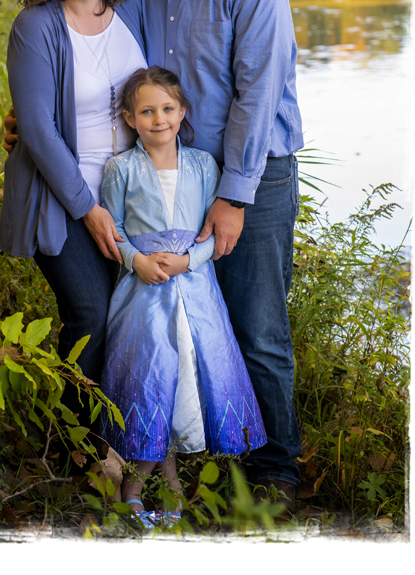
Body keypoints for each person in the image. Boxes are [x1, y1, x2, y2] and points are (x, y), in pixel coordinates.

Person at [4, 0, 304, 512]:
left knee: (253, 328)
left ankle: (274, 469)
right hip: (159, 179)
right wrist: (29, 113)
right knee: (172, 322)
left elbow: (258, 95)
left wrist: (232, 197)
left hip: (247, 174)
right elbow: (94, 62)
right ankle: (155, 454)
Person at [0, 0, 148, 419]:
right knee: (91, 312)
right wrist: (88, 207)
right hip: (62, 198)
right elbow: (35, 127)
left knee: (133, 315)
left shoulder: (132, 13)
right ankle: (81, 447)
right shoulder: (36, 27)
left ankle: (129, 436)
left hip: (130, 196)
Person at [99, 66, 266, 530]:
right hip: (144, 297)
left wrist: (189, 261)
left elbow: (215, 237)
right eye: (147, 111)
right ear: (130, 118)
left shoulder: (201, 165)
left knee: (187, 384)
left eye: (168, 109)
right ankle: (131, 488)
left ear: (182, 111)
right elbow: (113, 230)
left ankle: (171, 488)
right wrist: (137, 261)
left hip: (195, 294)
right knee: (151, 379)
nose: (159, 119)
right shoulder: (121, 169)